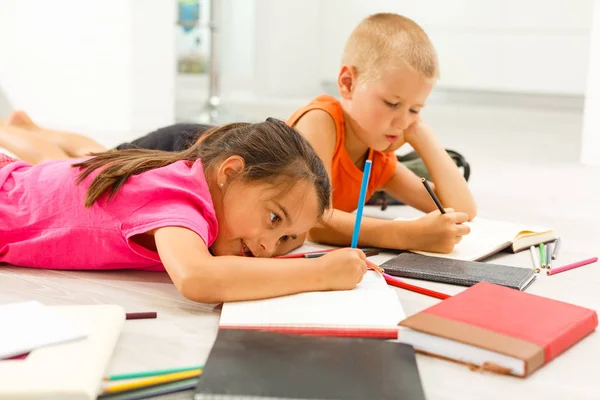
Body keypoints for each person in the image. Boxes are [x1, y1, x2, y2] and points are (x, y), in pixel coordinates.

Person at [0, 13, 476, 254]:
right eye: (392, 104)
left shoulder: (383, 157)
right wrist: (406, 236)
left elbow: (461, 211)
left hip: (226, 158)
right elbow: (315, 217)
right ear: (348, 83)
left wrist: (423, 136)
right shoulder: (323, 119)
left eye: (414, 108)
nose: (400, 119)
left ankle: (35, 128)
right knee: (88, 171)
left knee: (103, 156)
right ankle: (23, 132)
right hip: (192, 149)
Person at [0, 119, 369, 303]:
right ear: (230, 172)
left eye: (286, 237)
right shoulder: (181, 199)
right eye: (274, 218)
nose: (270, 248)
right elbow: (197, 278)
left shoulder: (199, 185)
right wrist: (320, 273)